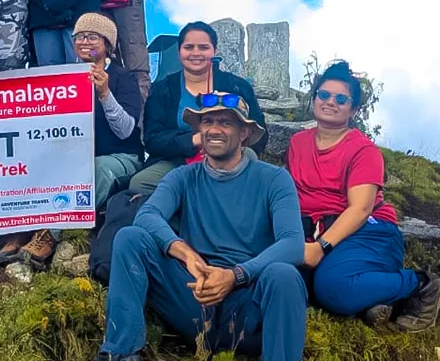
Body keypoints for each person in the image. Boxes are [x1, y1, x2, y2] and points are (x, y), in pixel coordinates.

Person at [95, 94, 305, 361]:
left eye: (226, 123)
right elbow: (148, 214)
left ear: (245, 133)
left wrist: (235, 276)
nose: (214, 129)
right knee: (130, 237)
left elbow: (293, 243)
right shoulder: (183, 176)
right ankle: (120, 353)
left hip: (247, 308)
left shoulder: (274, 179)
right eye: (208, 122)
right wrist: (185, 253)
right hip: (195, 297)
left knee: (284, 275)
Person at [289, 60, 440, 331]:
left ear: (354, 108)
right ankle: (374, 303)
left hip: (367, 231)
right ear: (314, 98)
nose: (330, 102)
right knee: (292, 280)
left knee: (332, 288)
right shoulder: (298, 143)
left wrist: (320, 248)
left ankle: (421, 286)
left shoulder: (363, 151)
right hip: (318, 229)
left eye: (341, 98)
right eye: (324, 95)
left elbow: (360, 209)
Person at [0, 14, 144, 267]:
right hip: (71, 156)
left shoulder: (123, 78)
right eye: (79, 37)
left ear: (108, 44)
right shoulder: (62, 78)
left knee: (96, 171)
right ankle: (21, 229)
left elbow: (126, 131)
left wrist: (105, 94)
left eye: (93, 37)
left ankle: (49, 234)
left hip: (118, 158)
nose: (85, 42)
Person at [128, 21, 265, 195]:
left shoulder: (236, 86)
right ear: (179, 52)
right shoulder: (163, 89)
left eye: (203, 47)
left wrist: (228, 145)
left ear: (214, 51)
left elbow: (259, 131)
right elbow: (153, 140)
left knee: (249, 160)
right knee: (140, 183)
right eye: (189, 47)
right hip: (177, 162)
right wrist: (195, 140)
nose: (196, 53)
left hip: (228, 157)